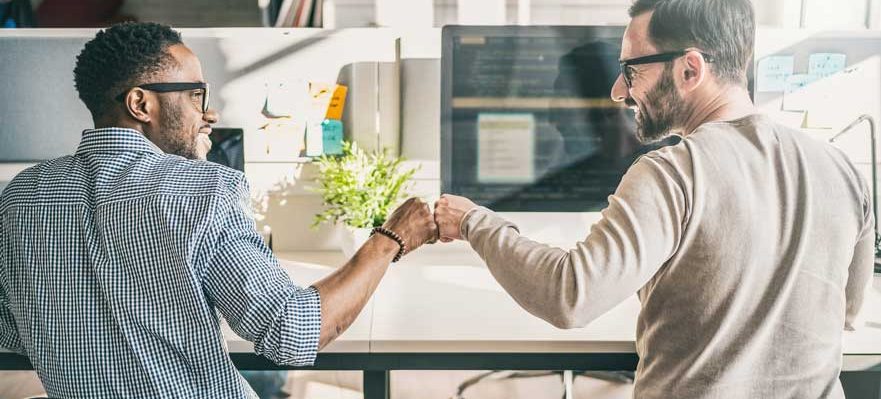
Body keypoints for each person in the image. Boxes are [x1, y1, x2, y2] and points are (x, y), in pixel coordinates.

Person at [434, 0, 874, 397]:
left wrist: (474, 221)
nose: (618, 92)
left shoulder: (672, 174)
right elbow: (845, 314)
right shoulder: (843, 170)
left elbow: (570, 296)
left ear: (690, 69)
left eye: (631, 70)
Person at [0, 22, 437, 398]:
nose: (208, 112)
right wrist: (390, 239)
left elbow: (11, 332)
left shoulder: (20, 195)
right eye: (194, 95)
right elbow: (293, 333)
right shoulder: (203, 190)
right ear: (140, 104)